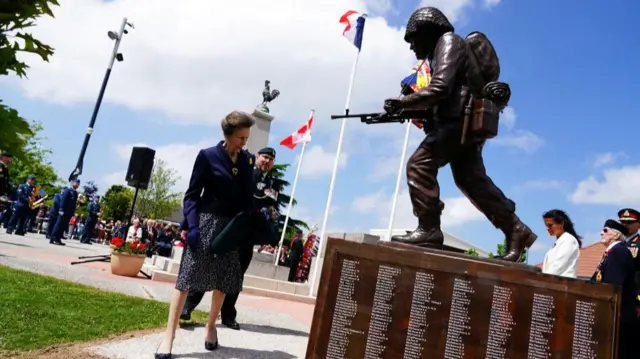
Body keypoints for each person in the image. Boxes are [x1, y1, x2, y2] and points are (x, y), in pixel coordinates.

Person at [383, 7, 536, 262]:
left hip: (457, 124)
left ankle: (429, 229)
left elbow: (441, 88)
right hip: (461, 125)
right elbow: (447, 93)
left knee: (418, 165)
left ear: (427, 32)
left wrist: (403, 104)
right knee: (472, 182)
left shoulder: (448, 41)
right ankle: (515, 229)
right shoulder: (441, 49)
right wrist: (409, 108)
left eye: (413, 39)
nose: (411, 46)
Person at [156, 111, 256, 358]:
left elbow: (246, 197)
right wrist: (192, 226)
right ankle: (169, 336)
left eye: (247, 138)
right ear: (229, 134)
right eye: (242, 137)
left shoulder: (247, 161)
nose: (245, 142)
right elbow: (191, 196)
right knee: (186, 280)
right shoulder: (207, 156)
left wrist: (248, 223)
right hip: (205, 223)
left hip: (230, 229)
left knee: (223, 281)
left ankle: (211, 326)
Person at [180, 146, 279, 330]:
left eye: (270, 160)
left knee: (236, 275)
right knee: (209, 265)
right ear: (257, 156)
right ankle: (188, 307)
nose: (267, 161)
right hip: (230, 228)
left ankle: (227, 315)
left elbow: (271, 207)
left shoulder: (274, 183)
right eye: (264, 157)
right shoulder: (246, 171)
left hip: (247, 234)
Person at [591, 219, 638, 359]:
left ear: (616, 235)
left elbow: (611, 286)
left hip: (618, 317)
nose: (601, 233)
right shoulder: (612, 252)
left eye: (605, 230)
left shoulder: (618, 252)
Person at [540, 209, 581, 278]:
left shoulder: (569, 240)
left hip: (563, 285)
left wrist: (542, 280)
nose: (547, 228)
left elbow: (558, 265)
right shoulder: (559, 242)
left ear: (561, 224)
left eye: (550, 225)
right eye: (546, 225)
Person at [50, 179, 80, 245]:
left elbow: (73, 203)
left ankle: (58, 239)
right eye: (76, 183)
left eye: (78, 183)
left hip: (69, 212)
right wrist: (61, 209)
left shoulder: (75, 193)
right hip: (63, 211)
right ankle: (53, 238)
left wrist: (73, 212)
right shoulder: (68, 190)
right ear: (72, 183)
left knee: (63, 226)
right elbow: (63, 200)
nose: (77, 184)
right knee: (59, 225)